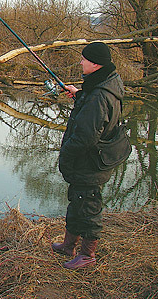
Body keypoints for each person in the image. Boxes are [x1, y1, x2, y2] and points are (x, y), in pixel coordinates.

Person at [53, 41, 124, 269]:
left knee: (89, 205)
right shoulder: (104, 83)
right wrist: (79, 94)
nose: (81, 62)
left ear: (95, 64)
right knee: (77, 199)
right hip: (91, 159)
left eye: (84, 59)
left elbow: (86, 136)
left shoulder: (99, 97)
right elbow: (94, 103)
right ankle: (68, 246)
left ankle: (87, 255)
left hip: (90, 161)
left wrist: (66, 154)